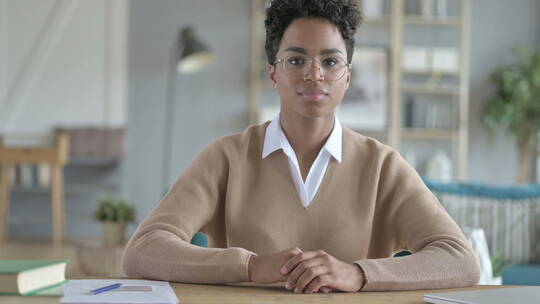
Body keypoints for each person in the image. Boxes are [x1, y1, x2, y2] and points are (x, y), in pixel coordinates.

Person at [122, 0, 480, 293]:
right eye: (296, 60)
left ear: (348, 76)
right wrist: (250, 266)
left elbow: (460, 260)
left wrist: (357, 274)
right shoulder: (226, 157)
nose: (314, 74)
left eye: (330, 61)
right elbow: (142, 250)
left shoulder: (382, 166)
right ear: (274, 73)